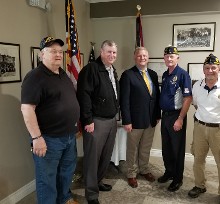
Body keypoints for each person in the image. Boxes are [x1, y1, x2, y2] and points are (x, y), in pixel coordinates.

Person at [21, 36, 80, 204]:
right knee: (46, 180)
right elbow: (27, 109)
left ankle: (64, 199)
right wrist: (36, 138)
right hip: (48, 139)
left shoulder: (62, 74)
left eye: (60, 52)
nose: (58, 55)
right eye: (53, 51)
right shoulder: (35, 77)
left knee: (66, 173)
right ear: (42, 55)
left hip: (68, 137)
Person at [187, 54, 220, 204]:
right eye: (207, 68)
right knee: (198, 159)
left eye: (213, 68)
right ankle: (199, 185)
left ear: (219, 69)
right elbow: (196, 105)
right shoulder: (197, 85)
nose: (210, 70)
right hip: (199, 128)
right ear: (203, 69)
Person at [77, 40, 120, 204]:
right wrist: (87, 120)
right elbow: (84, 96)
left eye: (114, 52)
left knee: (105, 156)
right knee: (92, 159)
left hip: (111, 120)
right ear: (101, 52)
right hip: (96, 121)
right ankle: (91, 194)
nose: (112, 55)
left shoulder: (111, 70)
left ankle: (98, 181)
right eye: (109, 52)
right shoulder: (90, 70)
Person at [120, 47, 161, 188]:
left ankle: (144, 169)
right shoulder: (127, 75)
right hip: (135, 120)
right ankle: (131, 173)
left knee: (145, 147)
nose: (142, 58)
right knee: (132, 149)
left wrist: (157, 115)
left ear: (148, 57)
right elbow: (124, 100)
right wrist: (127, 120)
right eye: (139, 55)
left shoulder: (153, 75)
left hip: (150, 120)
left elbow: (156, 97)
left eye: (144, 55)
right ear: (135, 57)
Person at [158, 46, 192, 192]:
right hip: (165, 115)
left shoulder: (183, 74)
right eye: (166, 56)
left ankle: (178, 179)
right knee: (166, 148)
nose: (169, 59)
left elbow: (187, 98)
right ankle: (169, 172)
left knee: (177, 149)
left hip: (176, 116)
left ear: (177, 58)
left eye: (172, 56)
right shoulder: (165, 74)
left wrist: (180, 118)